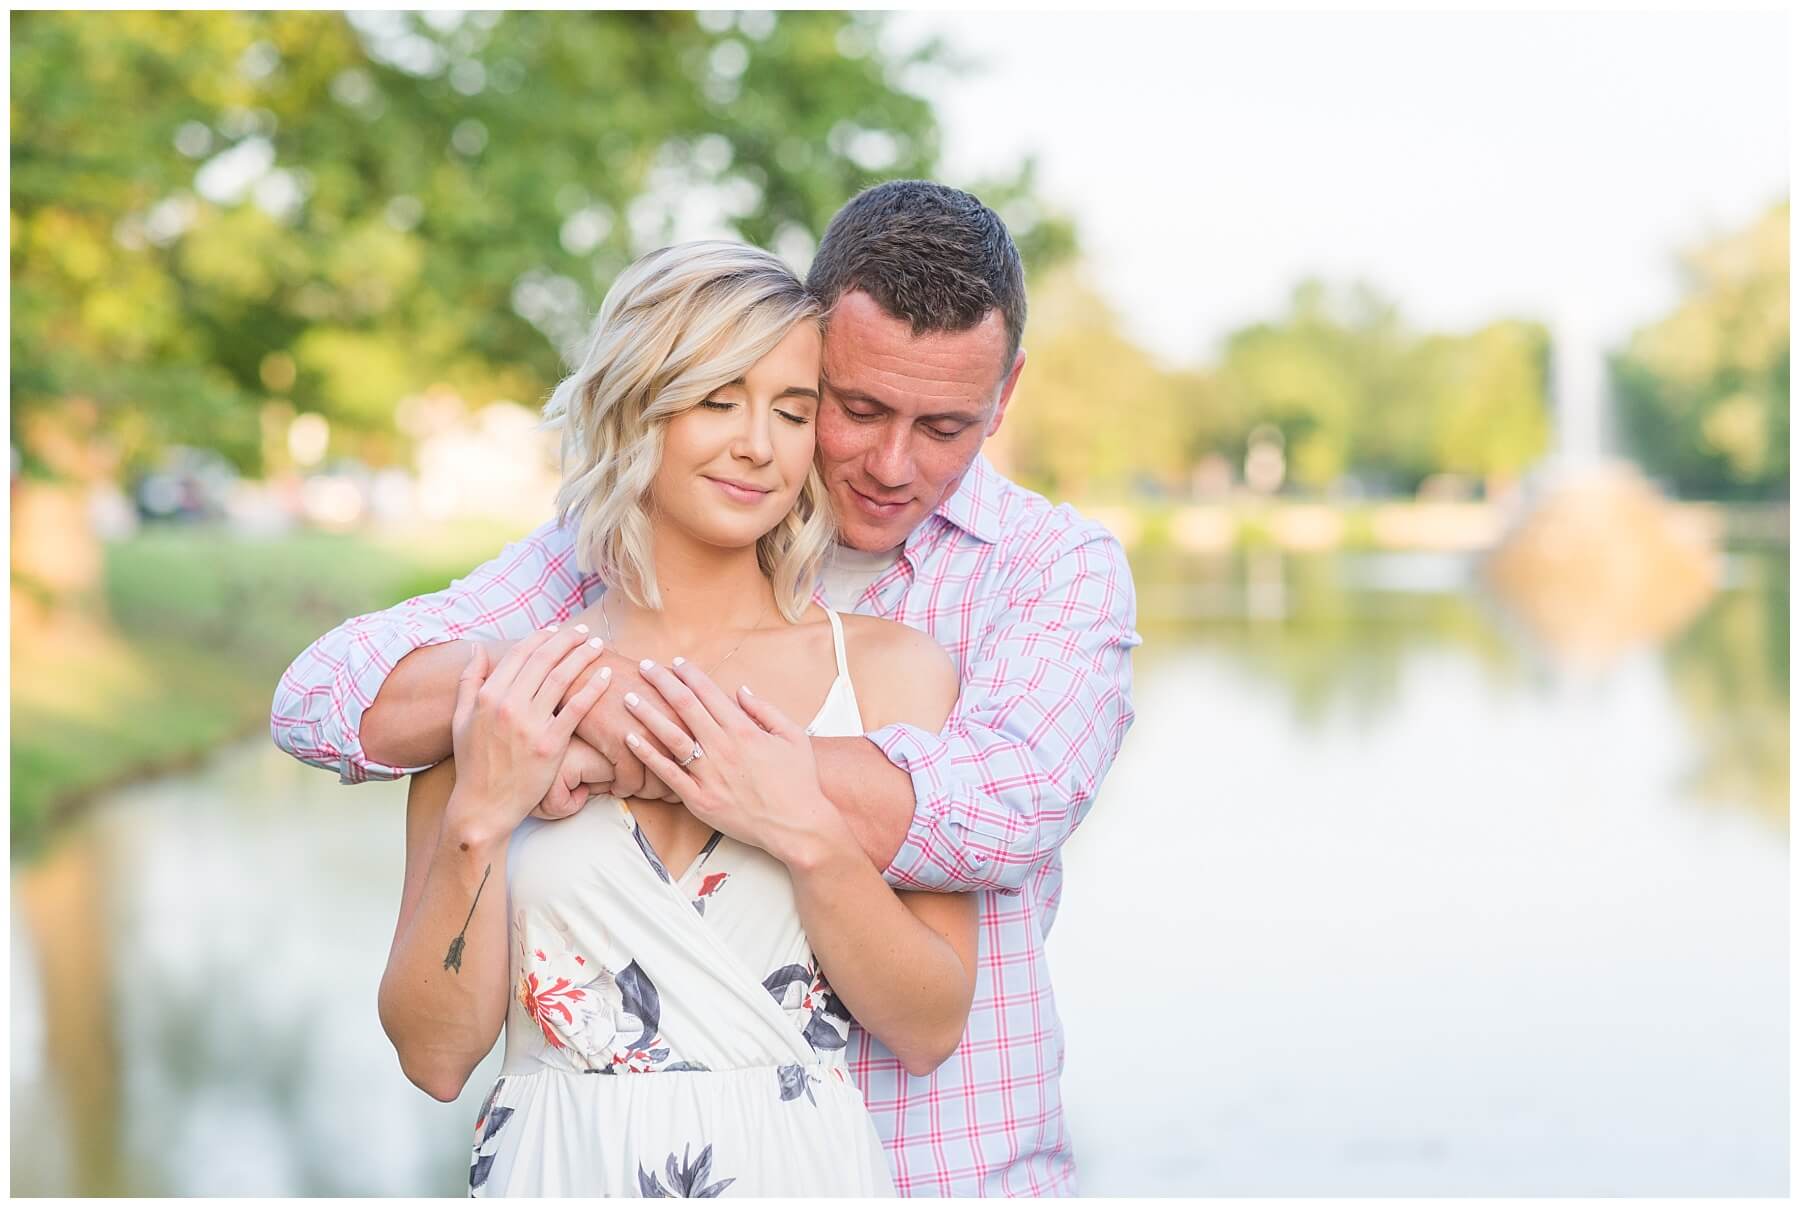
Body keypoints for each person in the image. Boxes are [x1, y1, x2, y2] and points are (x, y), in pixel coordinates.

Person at [274, 180, 1141, 1196]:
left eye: (946, 425)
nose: (891, 463)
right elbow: (323, 695)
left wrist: (663, 752)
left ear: (1007, 391)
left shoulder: (1043, 572)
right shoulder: (573, 585)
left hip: (942, 1172)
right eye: (854, 409)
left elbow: (1010, 811)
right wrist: (558, 707)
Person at [377, 240, 978, 1195]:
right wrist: (479, 819)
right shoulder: (512, 686)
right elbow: (436, 1058)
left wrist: (805, 831)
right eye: (717, 400)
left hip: (799, 1171)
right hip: (559, 1170)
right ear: (636, 407)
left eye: (792, 411)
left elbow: (930, 1026)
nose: (759, 445)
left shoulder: (888, 671)